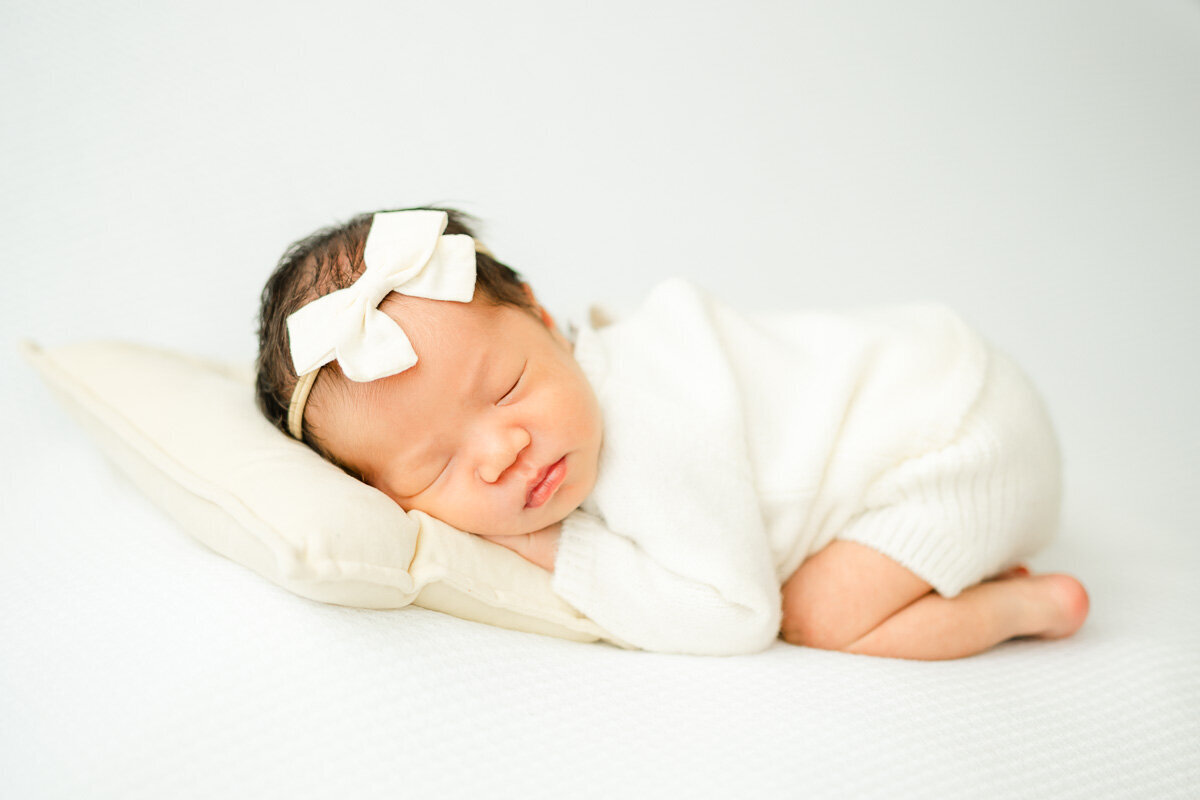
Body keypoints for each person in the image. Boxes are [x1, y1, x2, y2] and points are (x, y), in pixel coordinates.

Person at [255, 206, 1090, 658]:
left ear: (547, 320)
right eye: (437, 465)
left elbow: (738, 618)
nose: (501, 450)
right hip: (939, 378)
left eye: (508, 388)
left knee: (819, 615)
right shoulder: (573, 399)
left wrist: (550, 550)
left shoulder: (653, 427)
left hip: (964, 439)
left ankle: (1028, 604)